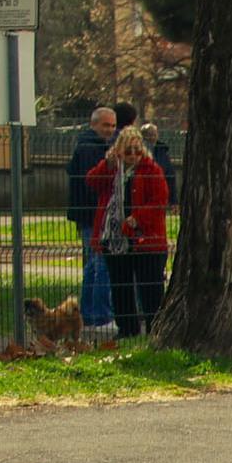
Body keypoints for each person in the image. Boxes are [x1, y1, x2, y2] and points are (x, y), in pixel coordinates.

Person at [86, 124, 170, 340]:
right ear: (119, 150)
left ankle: (155, 330)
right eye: (128, 150)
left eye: (137, 150)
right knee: (120, 286)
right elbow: (92, 181)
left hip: (146, 240)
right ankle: (127, 329)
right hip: (115, 239)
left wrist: (137, 218)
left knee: (150, 288)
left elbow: (160, 201)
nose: (133, 155)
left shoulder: (151, 169)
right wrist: (108, 163)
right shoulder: (113, 169)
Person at [65, 105, 117, 334]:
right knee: (101, 263)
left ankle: (89, 314)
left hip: (88, 214)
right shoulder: (90, 148)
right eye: (106, 125)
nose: (110, 130)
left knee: (93, 265)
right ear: (93, 124)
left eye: (113, 125)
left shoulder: (88, 145)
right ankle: (100, 315)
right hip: (92, 215)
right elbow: (92, 184)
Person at [141, 121, 178, 209]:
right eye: (149, 134)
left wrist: (173, 200)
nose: (152, 137)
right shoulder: (137, 151)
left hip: (159, 189)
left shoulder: (162, 151)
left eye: (154, 134)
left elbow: (170, 175)